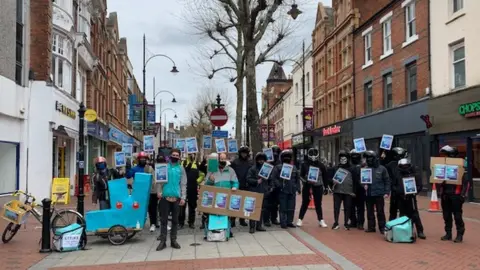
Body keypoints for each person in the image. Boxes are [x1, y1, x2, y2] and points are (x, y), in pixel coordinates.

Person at [156, 149, 187, 251]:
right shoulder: (164, 167)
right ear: (170, 156)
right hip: (165, 197)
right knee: (163, 220)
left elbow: (183, 184)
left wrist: (183, 197)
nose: (175, 156)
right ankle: (163, 241)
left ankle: (173, 240)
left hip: (176, 198)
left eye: (177, 155)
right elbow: (159, 181)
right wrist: (159, 191)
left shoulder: (181, 169)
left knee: (175, 221)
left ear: (179, 157)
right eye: (173, 155)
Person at [439, 145, 469, 243]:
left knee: (457, 216)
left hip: (456, 194)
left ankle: (460, 234)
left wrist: (463, 195)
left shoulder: (460, 166)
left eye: (446, 155)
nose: (445, 157)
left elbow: (466, 182)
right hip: (445, 194)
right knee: (446, 215)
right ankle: (448, 233)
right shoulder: (443, 166)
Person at [205, 152, 239, 237]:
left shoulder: (230, 170)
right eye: (221, 159)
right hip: (214, 196)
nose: (222, 160)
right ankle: (213, 230)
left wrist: (235, 187)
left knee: (226, 215)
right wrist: (210, 180)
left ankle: (227, 230)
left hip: (226, 196)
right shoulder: (212, 170)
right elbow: (206, 184)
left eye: (224, 159)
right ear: (218, 159)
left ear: (227, 160)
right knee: (214, 214)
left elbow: (235, 182)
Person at [296, 148, 329, 228]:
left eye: (315, 154)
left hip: (318, 186)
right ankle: (300, 219)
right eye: (312, 154)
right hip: (307, 186)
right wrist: (305, 181)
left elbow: (325, 177)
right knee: (305, 203)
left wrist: (326, 187)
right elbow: (301, 175)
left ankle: (321, 219)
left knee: (318, 203)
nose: (313, 156)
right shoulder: (305, 164)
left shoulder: (321, 165)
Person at [394, 158, 426, 239]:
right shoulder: (398, 175)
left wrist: (415, 192)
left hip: (411, 197)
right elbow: (394, 185)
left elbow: (419, 185)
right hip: (401, 197)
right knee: (402, 214)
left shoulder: (414, 174)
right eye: (402, 166)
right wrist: (398, 191)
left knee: (414, 214)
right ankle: (404, 230)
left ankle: (420, 231)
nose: (404, 167)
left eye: (406, 166)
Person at [126, 151, 157, 232]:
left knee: (152, 209)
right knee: (137, 208)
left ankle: (153, 223)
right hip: (138, 192)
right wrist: (127, 168)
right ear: (138, 160)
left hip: (149, 191)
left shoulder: (149, 168)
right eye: (141, 159)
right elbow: (128, 176)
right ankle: (137, 222)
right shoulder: (134, 169)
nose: (143, 160)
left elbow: (153, 179)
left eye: (144, 159)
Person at [271, 150, 301, 229]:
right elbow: (274, 178)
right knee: (283, 207)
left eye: (288, 157)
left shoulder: (294, 167)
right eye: (285, 157)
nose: (287, 158)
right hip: (282, 191)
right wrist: (279, 185)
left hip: (292, 190)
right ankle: (283, 222)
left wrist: (298, 188)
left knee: (291, 207)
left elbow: (297, 179)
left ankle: (289, 222)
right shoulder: (278, 167)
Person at [363, 150, 390, 234]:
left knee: (380, 211)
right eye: (367, 158)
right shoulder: (365, 169)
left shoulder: (382, 169)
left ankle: (382, 227)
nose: (368, 160)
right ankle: (371, 227)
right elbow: (362, 180)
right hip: (369, 193)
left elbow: (387, 181)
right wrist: (363, 185)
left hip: (379, 193)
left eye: (369, 158)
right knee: (370, 211)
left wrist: (387, 192)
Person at [246, 152, 272, 233]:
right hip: (254, 191)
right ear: (256, 160)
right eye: (259, 160)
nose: (261, 161)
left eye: (262, 160)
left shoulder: (267, 169)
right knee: (252, 209)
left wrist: (269, 188)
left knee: (261, 209)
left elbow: (270, 179)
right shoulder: (252, 169)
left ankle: (259, 225)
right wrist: (256, 181)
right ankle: (252, 226)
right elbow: (248, 179)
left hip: (263, 192)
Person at [331, 150, 357, 230]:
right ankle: (336, 222)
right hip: (337, 191)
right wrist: (332, 183)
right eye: (341, 158)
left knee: (347, 207)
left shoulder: (352, 168)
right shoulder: (336, 168)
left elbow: (355, 180)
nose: (343, 159)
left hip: (348, 192)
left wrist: (354, 191)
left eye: (344, 157)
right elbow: (330, 179)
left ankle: (346, 223)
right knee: (336, 207)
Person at [178, 153, 205, 229]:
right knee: (181, 206)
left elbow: (202, 174)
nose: (191, 155)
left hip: (193, 188)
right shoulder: (183, 163)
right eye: (189, 154)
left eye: (192, 154)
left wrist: (197, 181)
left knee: (192, 206)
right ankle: (181, 222)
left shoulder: (197, 164)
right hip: (183, 187)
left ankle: (191, 222)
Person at [230, 146, 253, 227]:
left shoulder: (250, 162)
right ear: (240, 153)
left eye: (245, 153)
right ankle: (232, 220)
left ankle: (242, 220)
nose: (244, 155)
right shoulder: (235, 162)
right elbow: (231, 172)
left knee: (244, 203)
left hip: (246, 185)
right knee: (235, 203)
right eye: (243, 153)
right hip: (237, 184)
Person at [385, 147, 408, 221]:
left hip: (404, 191)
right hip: (395, 191)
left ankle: (403, 226)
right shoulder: (391, 165)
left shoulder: (407, 164)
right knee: (393, 210)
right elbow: (388, 177)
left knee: (404, 210)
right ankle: (391, 226)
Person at [265, 145, 282, 226]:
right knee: (268, 203)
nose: (275, 155)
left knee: (275, 204)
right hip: (268, 185)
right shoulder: (267, 162)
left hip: (277, 186)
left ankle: (274, 218)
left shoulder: (280, 163)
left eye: (276, 153)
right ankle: (266, 219)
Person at [349, 149, 366, 230]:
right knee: (351, 206)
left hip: (360, 188)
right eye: (353, 156)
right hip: (351, 188)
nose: (355, 157)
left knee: (360, 206)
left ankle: (360, 222)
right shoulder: (349, 165)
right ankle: (353, 221)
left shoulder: (363, 165)